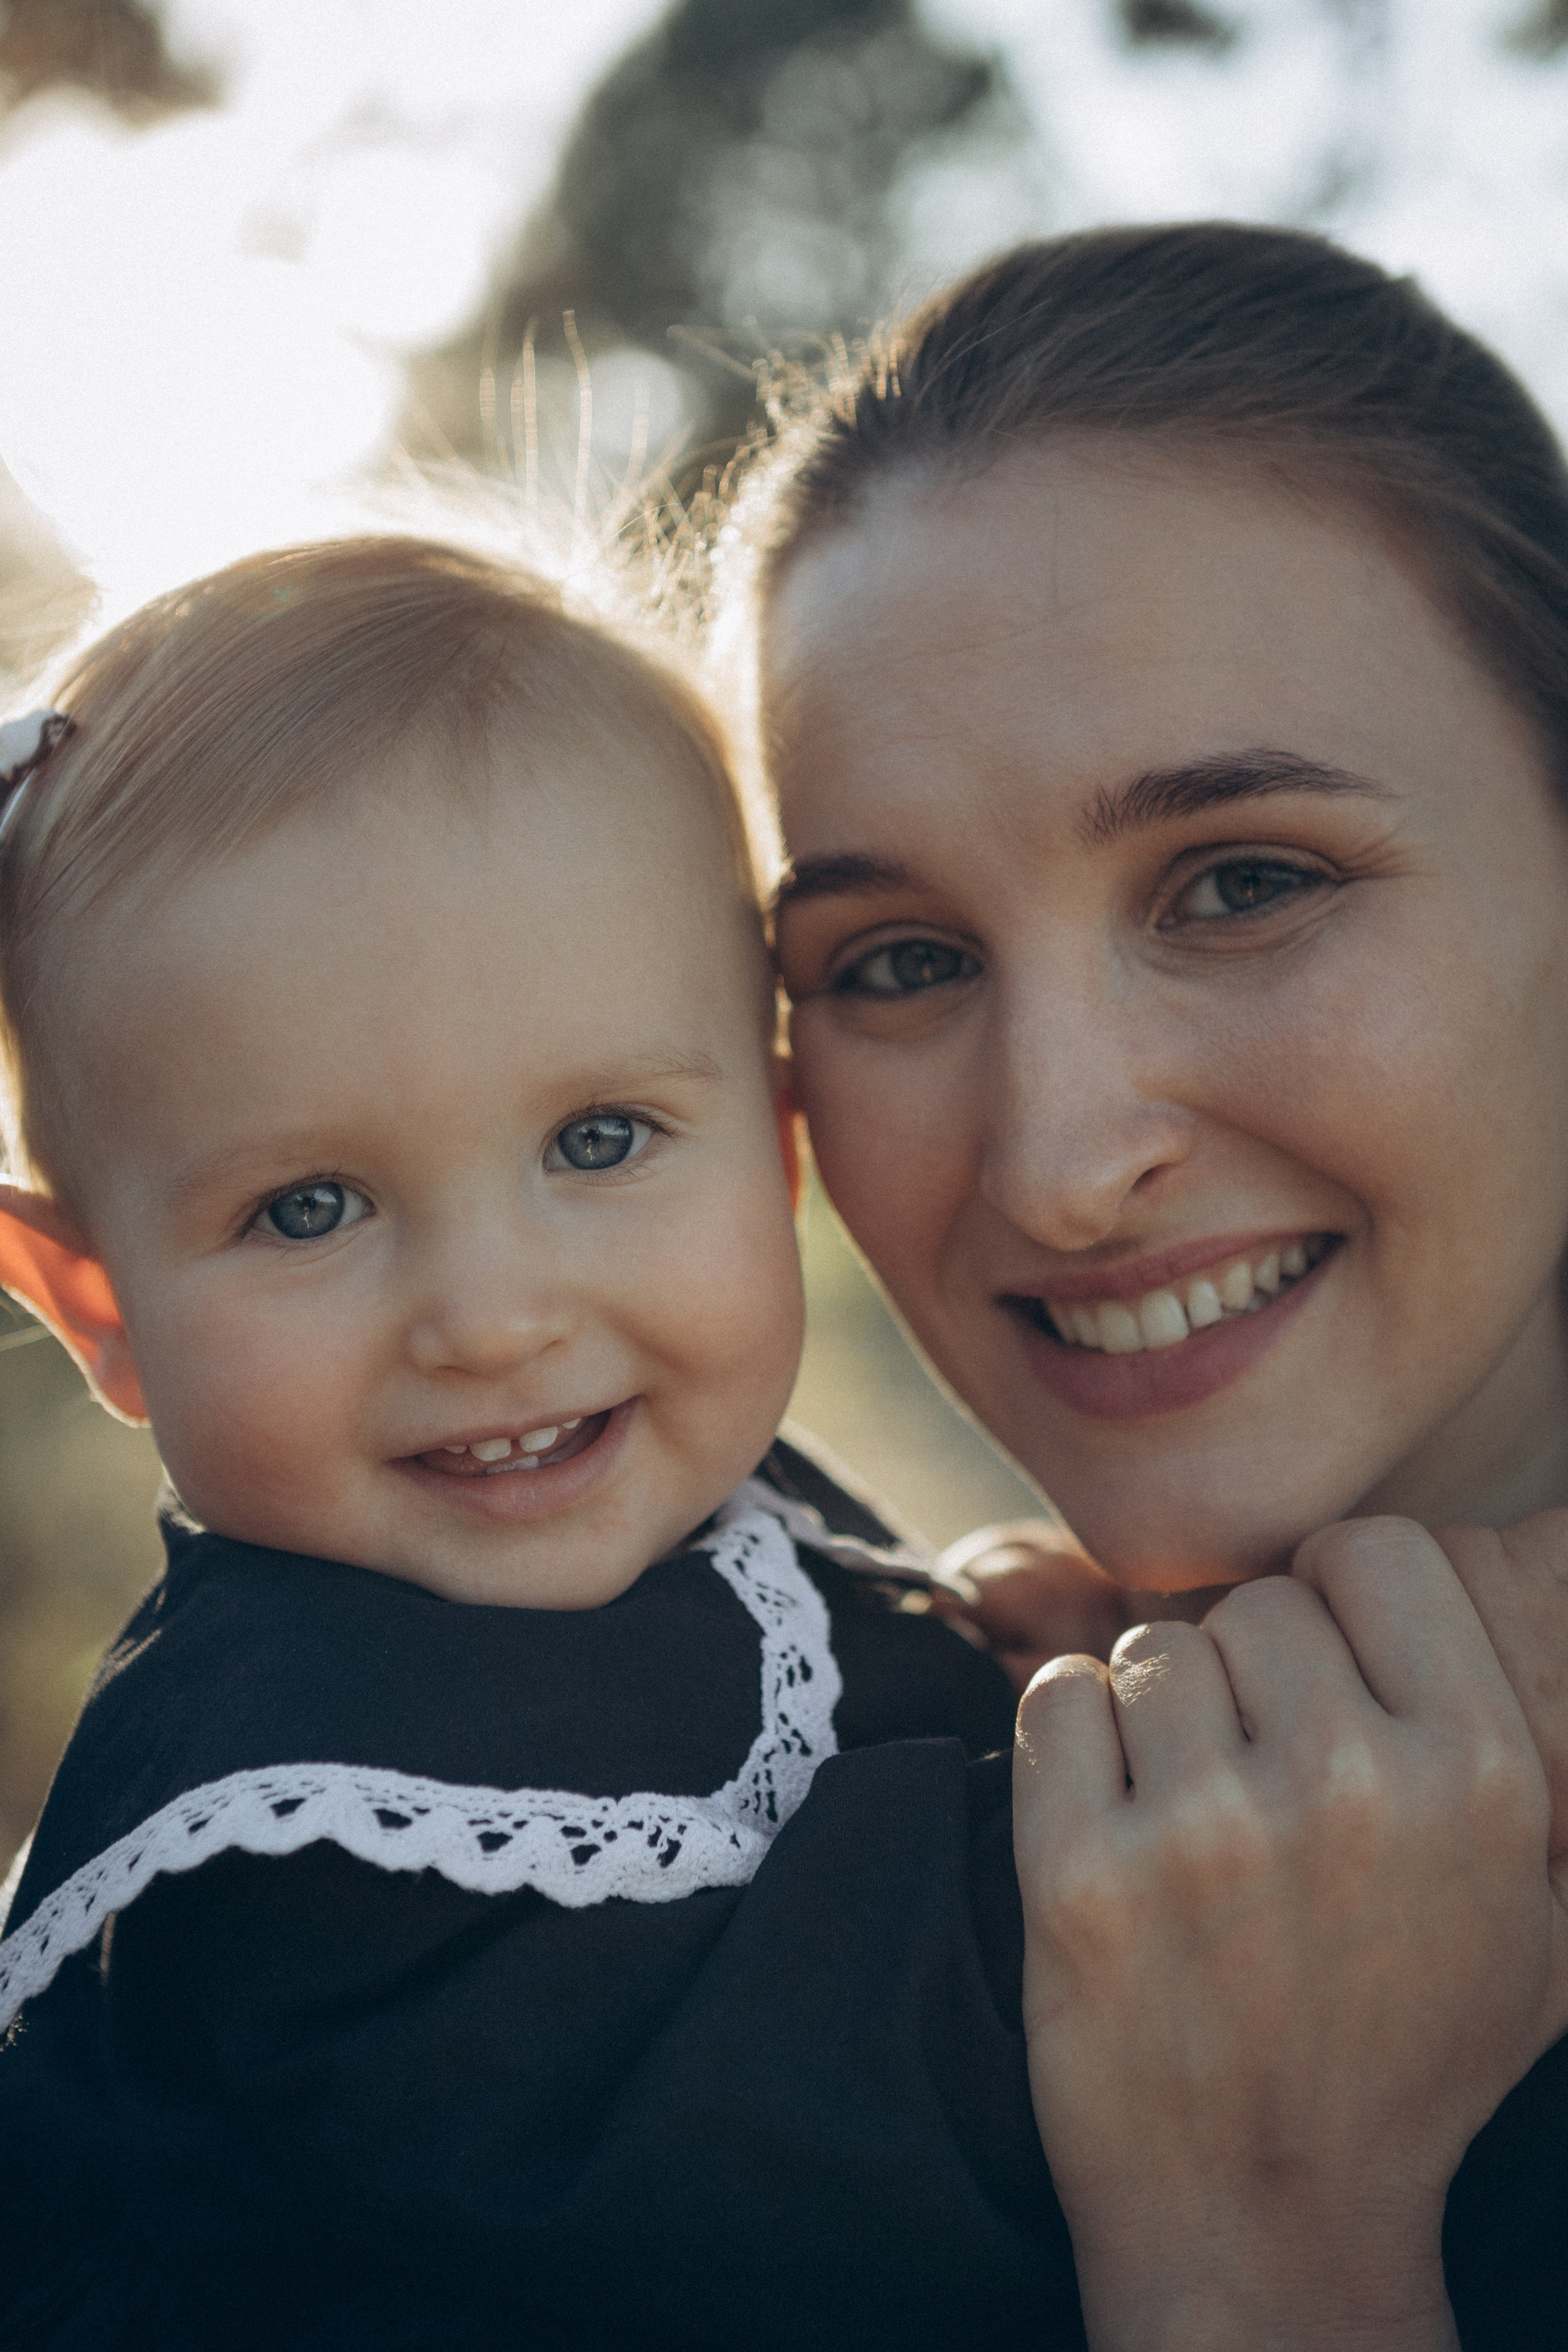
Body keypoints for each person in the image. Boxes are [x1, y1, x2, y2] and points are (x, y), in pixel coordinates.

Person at [749, 219, 1568, 2346]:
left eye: (1245, 881)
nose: (1060, 1163)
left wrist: (1270, 2244)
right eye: (900, 963)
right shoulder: (748, 1873)